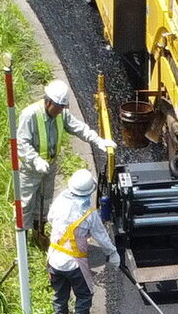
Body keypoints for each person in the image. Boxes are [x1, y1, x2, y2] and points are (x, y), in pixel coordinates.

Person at [14, 79, 113, 249]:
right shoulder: (30, 115)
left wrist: (97, 140)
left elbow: (78, 128)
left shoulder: (61, 114)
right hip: (31, 169)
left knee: (45, 200)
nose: (60, 111)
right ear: (48, 101)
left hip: (50, 165)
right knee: (26, 202)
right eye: (58, 107)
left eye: (62, 107)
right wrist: (35, 160)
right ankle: (21, 241)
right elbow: (21, 143)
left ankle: (39, 233)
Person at [46, 167, 116, 314]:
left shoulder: (60, 201)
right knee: (84, 294)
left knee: (59, 293)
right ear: (89, 191)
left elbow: (50, 219)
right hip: (75, 264)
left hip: (54, 260)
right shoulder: (89, 215)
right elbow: (102, 237)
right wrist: (112, 254)